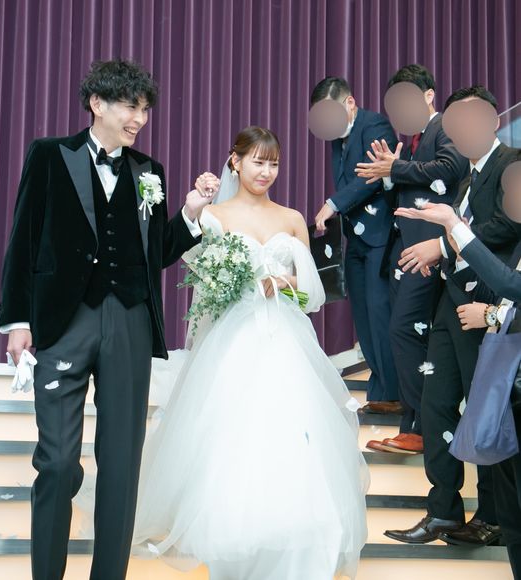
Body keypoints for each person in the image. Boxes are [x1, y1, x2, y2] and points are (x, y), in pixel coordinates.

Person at [0, 59, 217, 580]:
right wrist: (17, 321)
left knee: (121, 465)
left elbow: (155, 252)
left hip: (130, 321)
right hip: (64, 321)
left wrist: (189, 214)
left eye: (145, 109)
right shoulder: (50, 155)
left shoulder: (149, 172)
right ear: (97, 103)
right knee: (56, 462)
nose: (139, 118)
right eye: (129, 106)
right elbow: (24, 238)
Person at [131, 127, 369, 580]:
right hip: (233, 336)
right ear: (235, 162)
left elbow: (313, 291)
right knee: (230, 428)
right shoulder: (213, 215)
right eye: (258, 161)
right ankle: (230, 528)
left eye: (273, 163)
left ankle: (297, 526)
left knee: (292, 425)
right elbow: (202, 286)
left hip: (285, 335)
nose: (266, 171)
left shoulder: (292, 218)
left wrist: (282, 282)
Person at [383, 86, 521, 547]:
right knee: (437, 402)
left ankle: (494, 516)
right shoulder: (466, 176)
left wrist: (441, 244)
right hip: (450, 302)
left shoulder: (511, 164)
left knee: (487, 410)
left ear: (493, 121)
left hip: (488, 310)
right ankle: (443, 509)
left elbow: (508, 224)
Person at [395, 199, 521, 577]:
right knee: (435, 403)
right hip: (461, 302)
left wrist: (449, 235)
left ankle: (490, 518)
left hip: (499, 331)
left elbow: (508, 271)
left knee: (488, 419)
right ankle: (451, 513)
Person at [355, 64, 468, 454]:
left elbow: (451, 168)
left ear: (429, 96)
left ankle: (427, 425)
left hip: (430, 251)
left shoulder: (446, 127)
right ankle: (416, 424)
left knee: (404, 330)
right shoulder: (416, 141)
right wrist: (390, 176)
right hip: (406, 251)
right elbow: (414, 186)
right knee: (409, 334)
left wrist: (397, 168)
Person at [311, 76, 400, 414]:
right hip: (355, 238)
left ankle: (395, 394)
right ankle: (380, 393)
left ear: (349, 103)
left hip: (380, 236)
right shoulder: (338, 137)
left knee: (380, 313)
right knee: (362, 316)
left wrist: (332, 203)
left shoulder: (374, 125)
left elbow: (373, 175)